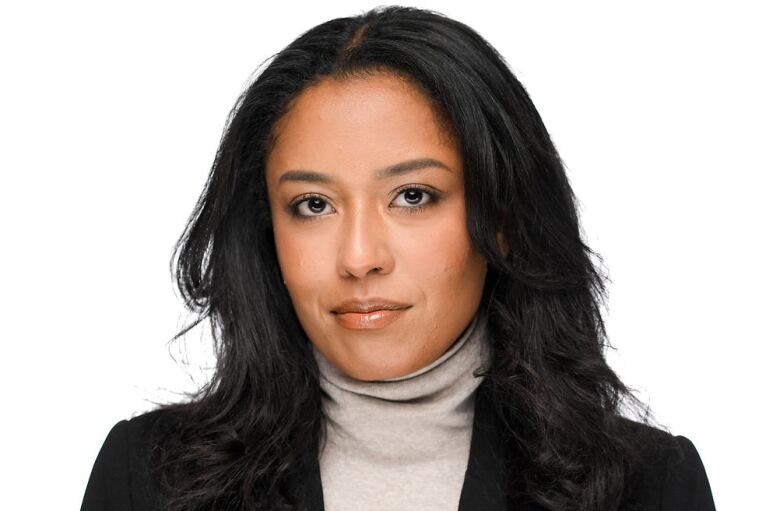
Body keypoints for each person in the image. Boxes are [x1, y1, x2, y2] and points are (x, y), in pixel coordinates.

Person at [80, 6, 716, 511]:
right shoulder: (146, 480)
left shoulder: (650, 487)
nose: (359, 258)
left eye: (413, 196)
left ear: (499, 216)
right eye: (312, 204)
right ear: (265, 229)